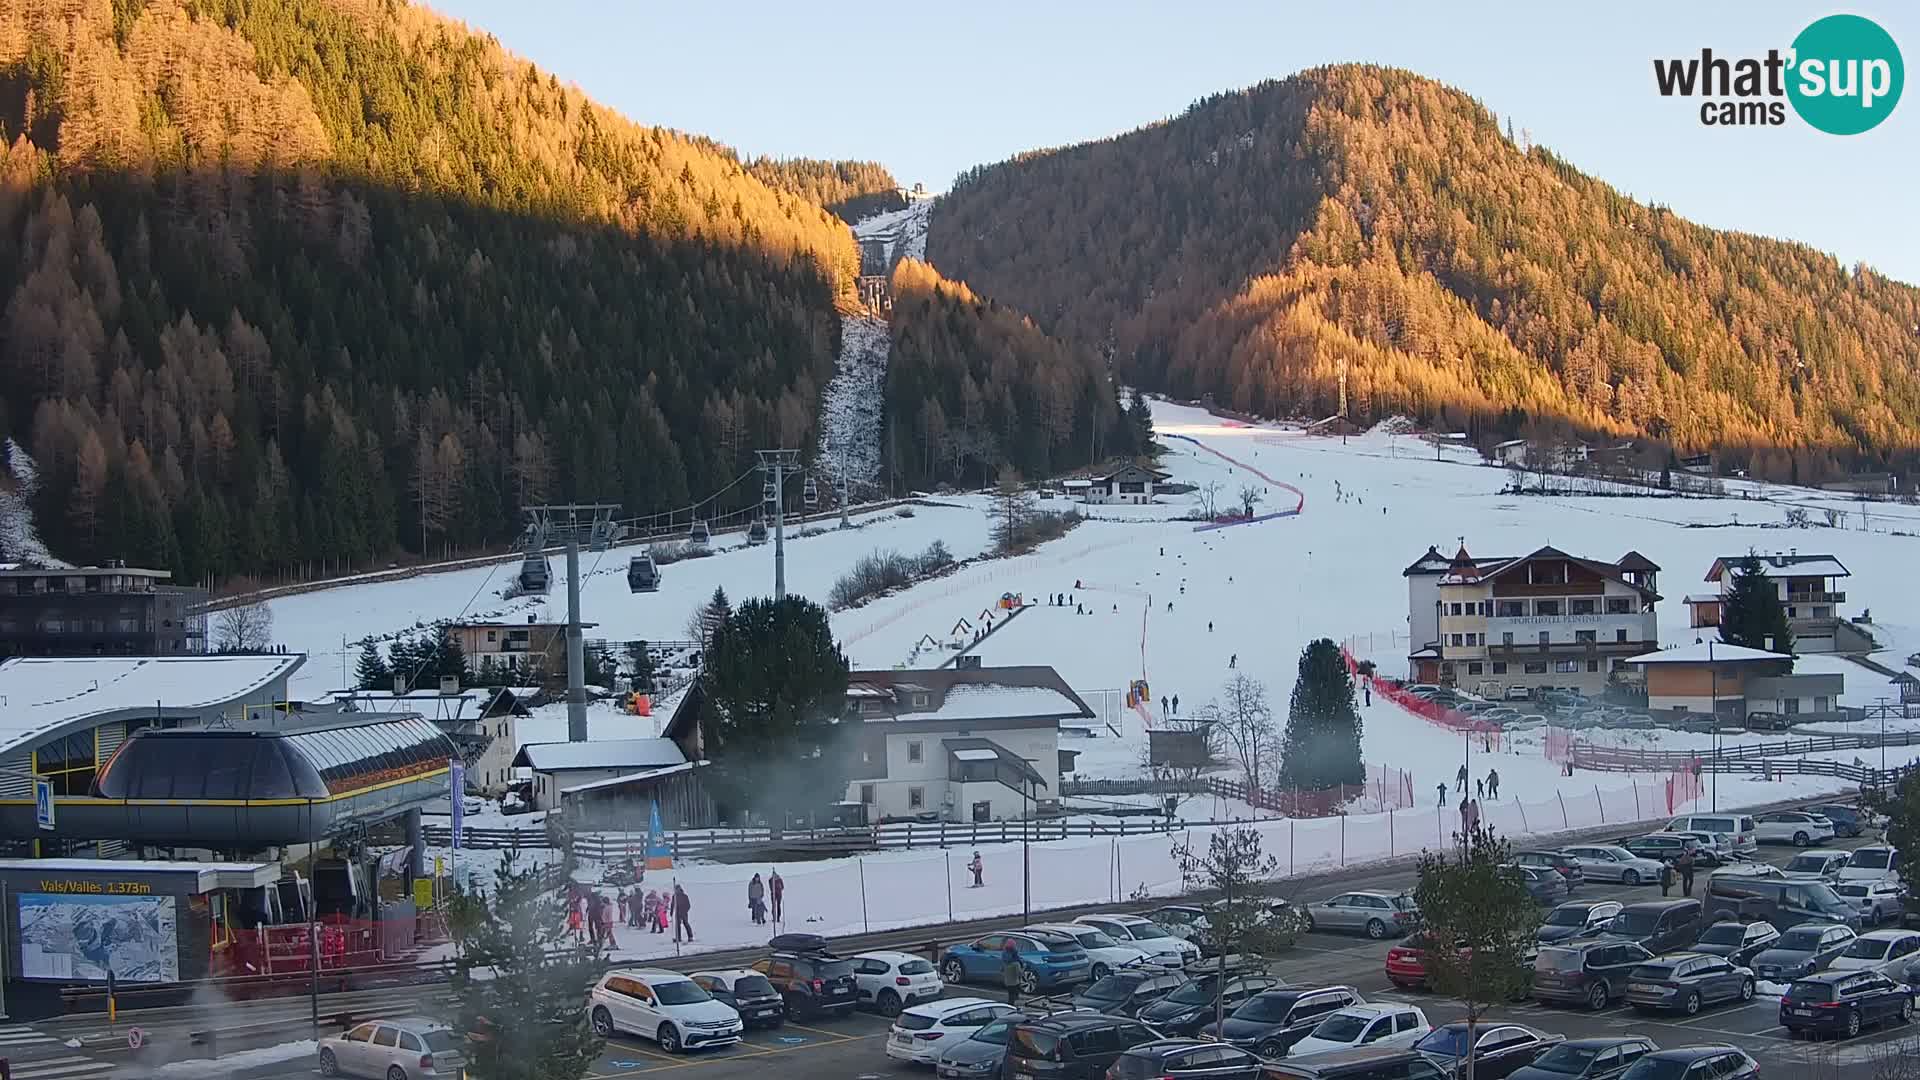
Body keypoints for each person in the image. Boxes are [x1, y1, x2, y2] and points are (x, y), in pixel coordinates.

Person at [1001, 940, 1025, 1006]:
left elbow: (1002, 971)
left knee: (1010, 995)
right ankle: (1012, 1007)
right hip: (1015, 982)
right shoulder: (1016, 963)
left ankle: (1010, 1006)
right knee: (1014, 996)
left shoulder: (1005, 962)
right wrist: (1023, 967)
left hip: (1007, 981)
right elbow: (1019, 973)